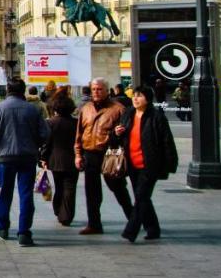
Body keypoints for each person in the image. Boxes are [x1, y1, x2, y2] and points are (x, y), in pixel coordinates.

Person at [0, 79, 50, 247]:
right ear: (23, 91)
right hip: (27, 157)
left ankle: (3, 226)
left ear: (7, 90)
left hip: (5, 157)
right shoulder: (32, 109)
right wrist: (35, 145)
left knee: (5, 191)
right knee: (26, 194)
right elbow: (45, 133)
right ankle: (24, 233)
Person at [112, 85, 178, 242]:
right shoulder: (128, 114)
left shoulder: (156, 117)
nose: (135, 98)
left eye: (139, 96)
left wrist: (170, 164)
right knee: (143, 198)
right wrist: (117, 133)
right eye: (134, 95)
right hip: (132, 163)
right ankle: (153, 228)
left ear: (148, 99)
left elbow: (167, 141)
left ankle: (130, 231)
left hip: (150, 164)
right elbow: (118, 138)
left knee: (141, 197)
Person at [74, 77, 133, 235]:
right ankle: (94, 223)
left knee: (118, 188)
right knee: (91, 190)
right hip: (90, 152)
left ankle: (134, 219)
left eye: (99, 89)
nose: (96, 92)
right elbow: (79, 133)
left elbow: (126, 133)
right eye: (93, 89)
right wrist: (78, 154)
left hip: (110, 153)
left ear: (107, 91)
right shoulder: (86, 108)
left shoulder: (118, 108)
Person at [40, 92, 80, 226]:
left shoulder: (50, 123)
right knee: (70, 188)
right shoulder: (76, 123)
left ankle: (58, 209)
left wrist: (43, 158)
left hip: (55, 159)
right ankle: (66, 215)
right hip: (73, 159)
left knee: (59, 186)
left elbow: (47, 142)